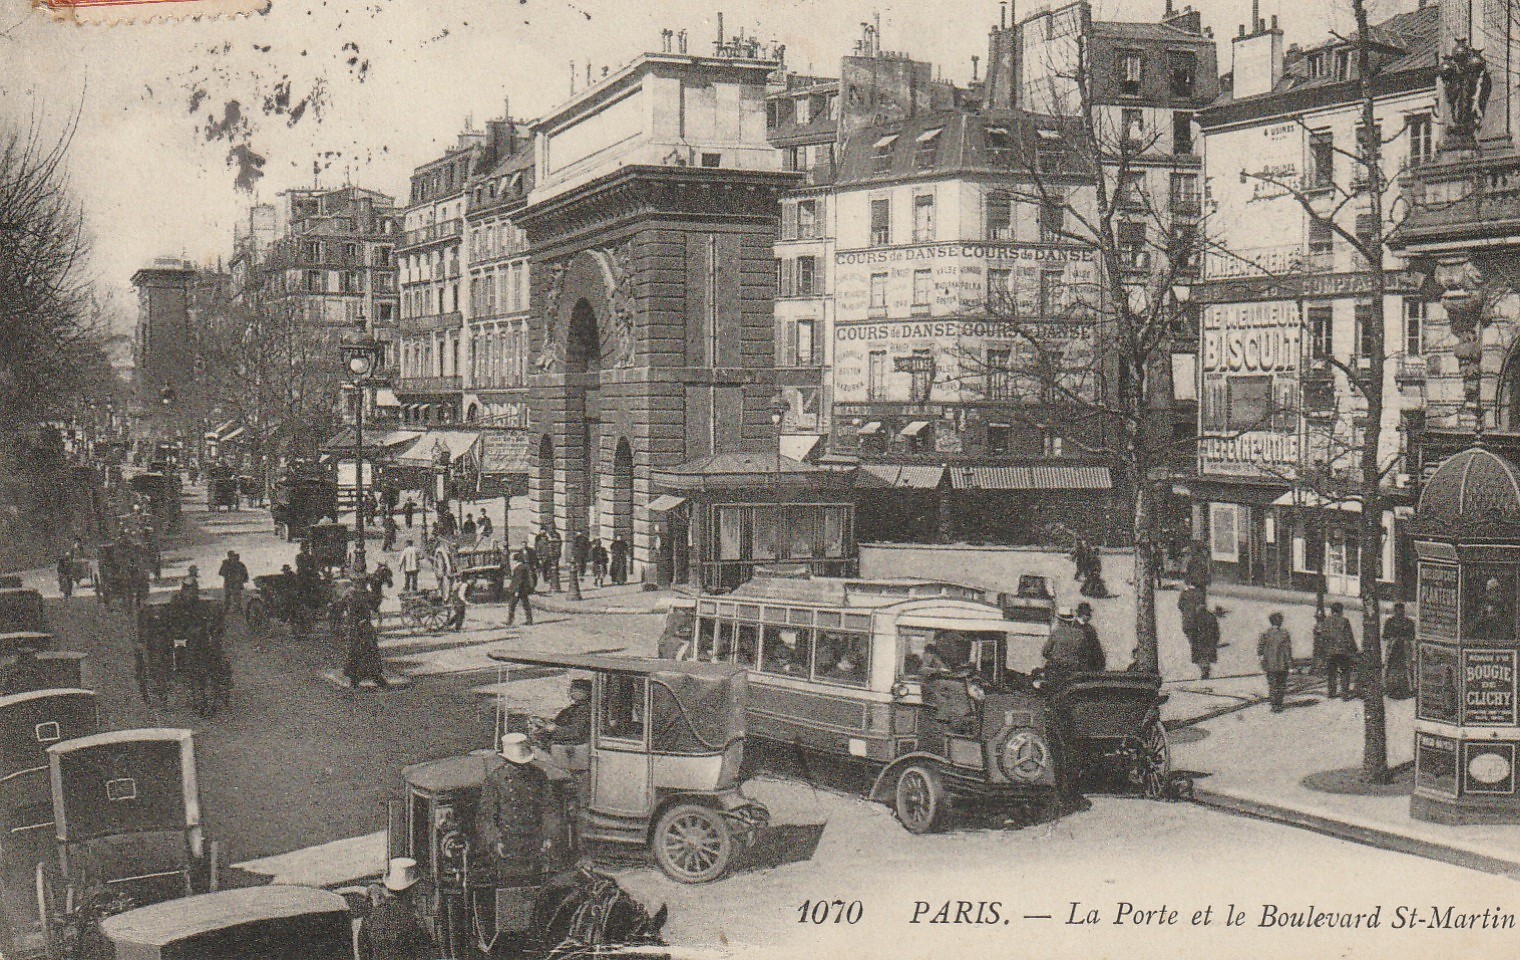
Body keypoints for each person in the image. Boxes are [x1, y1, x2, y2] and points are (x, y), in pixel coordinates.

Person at [475, 733, 552, 885]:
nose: (518, 768)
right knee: (510, 885)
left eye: (522, 764)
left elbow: (548, 809)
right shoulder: (495, 780)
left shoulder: (539, 777)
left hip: (534, 842)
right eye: (515, 764)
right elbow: (487, 816)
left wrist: (548, 836)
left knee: (536, 883)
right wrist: (495, 841)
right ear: (506, 761)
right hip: (508, 844)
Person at [358, 858, 434, 960]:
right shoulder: (412, 920)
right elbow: (427, 953)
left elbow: (363, 953)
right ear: (411, 890)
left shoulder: (369, 918)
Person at [342, 583, 389, 690]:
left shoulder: (355, 602)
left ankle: (357, 681)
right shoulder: (357, 601)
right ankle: (375, 679)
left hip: (360, 633)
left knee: (359, 656)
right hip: (362, 633)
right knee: (366, 656)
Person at [542, 678, 592, 773]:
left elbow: (576, 732)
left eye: (577, 689)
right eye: (572, 689)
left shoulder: (585, 710)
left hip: (573, 748)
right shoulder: (572, 709)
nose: (572, 692)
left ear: (586, 692)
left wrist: (554, 729)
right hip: (566, 745)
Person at [1041, 605, 1087, 687]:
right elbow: (1084, 654)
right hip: (1073, 668)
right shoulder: (1080, 633)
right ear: (1071, 621)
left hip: (1056, 667)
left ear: (1060, 621)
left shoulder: (1057, 632)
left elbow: (1045, 652)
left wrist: (1054, 656)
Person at [1258, 611, 1293, 713]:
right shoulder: (1284, 634)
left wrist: (1263, 662)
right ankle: (1279, 703)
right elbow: (1287, 650)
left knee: (1272, 684)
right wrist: (1290, 665)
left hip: (1270, 664)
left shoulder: (1266, 634)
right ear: (1280, 622)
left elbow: (1260, 649)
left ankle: (1274, 704)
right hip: (1282, 664)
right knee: (1281, 684)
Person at [1322, 601, 1358, 700]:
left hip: (1330, 650)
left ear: (1332, 610)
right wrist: (1354, 648)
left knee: (1331, 672)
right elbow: (1349, 636)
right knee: (1345, 671)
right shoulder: (1344, 621)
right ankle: (1344, 693)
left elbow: (1324, 636)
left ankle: (1331, 692)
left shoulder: (1326, 621)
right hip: (1343, 650)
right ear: (1341, 611)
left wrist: (1324, 649)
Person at [1383, 602, 1416, 700]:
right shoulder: (1390, 621)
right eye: (1397, 611)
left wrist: (1402, 638)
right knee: (1391, 667)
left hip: (1404, 648)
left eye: (1401, 611)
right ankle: (1391, 688)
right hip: (1393, 648)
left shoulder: (1409, 622)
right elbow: (1385, 636)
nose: (1399, 613)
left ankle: (1406, 689)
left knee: (1406, 667)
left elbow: (1412, 636)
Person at [1189, 604, 1220, 680]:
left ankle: (1204, 671)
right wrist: (1215, 639)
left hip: (1200, 641)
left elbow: (1193, 631)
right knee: (1206, 657)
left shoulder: (1196, 618)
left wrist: (1192, 640)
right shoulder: (1211, 616)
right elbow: (1216, 630)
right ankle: (1205, 670)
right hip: (1209, 641)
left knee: (1201, 658)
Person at [1074, 601, 1107, 672]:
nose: (1090, 616)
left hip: (1090, 664)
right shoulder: (1073, 627)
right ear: (1082, 614)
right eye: (1088, 614)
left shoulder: (1090, 628)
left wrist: (1101, 661)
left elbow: (1096, 646)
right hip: (1078, 664)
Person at [507, 552, 535, 626]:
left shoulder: (518, 568)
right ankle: (529, 620)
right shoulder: (522, 567)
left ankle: (510, 620)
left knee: (512, 605)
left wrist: (516, 591)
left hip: (518, 590)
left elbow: (519, 580)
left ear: (516, 560)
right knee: (526, 604)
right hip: (523, 590)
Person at [218, 549, 248, 617]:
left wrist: (242, 580)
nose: (231, 557)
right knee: (228, 596)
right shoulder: (226, 564)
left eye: (232, 556)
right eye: (230, 556)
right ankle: (227, 609)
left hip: (236, 583)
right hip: (229, 582)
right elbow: (221, 573)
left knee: (236, 597)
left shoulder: (239, 564)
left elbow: (244, 573)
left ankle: (237, 609)